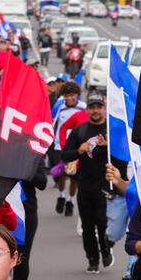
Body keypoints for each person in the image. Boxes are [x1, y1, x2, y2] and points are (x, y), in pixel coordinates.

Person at [61, 92, 127, 272]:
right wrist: (79, 151)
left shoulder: (112, 132)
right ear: (87, 109)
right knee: (87, 226)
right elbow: (64, 155)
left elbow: (123, 161)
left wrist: (108, 149)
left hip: (106, 188)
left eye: (99, 107)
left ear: (105, 108)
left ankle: (105, 249)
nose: (96, 111)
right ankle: (92, 259)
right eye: (92, 107)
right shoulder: (79, 131)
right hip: (85, 186)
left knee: (102, 222)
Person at [51, 81, 86, 216]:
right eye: (66, 95)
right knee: (61, 175)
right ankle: (61, 196)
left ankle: (70, 201)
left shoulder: (83, 107)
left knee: (74, 178)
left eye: (72, 95)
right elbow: (54, 125)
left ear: (77, 95)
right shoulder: (59, 108)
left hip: (78, 148)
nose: (69, 98)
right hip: (60, 146)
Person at [12, 160, 47, 280]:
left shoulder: (32, 153)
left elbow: (42, 182)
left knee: (21, 258)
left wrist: (23, 170)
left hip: (26, 213)